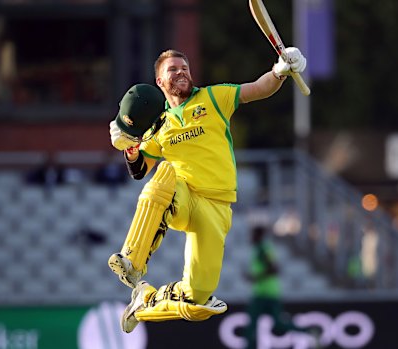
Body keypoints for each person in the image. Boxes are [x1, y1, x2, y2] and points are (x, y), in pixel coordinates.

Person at [107, 47, 307, 333]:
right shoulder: (158, 124)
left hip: (218, 208)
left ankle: (144, 301)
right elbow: (141, 170)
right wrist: (129, 147)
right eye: (173, 70)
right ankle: (133, 260)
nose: (181, 72)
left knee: (198, 301)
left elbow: (259, 89)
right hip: (183, 196)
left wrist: (280, 72)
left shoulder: (213, 97)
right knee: (165, 173)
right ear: (160, 82)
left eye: (185, 67)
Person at [243, 225, 318, 349]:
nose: (251, 237)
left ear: (259, 235)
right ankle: (309, 331)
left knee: (252, 326)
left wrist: (256, 277)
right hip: (270, 293)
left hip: (263, 294)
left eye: (253, 234)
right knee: (277, 324)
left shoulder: (262, 249)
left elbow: (274, 268)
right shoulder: (262, 248)